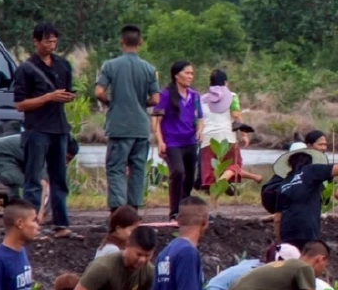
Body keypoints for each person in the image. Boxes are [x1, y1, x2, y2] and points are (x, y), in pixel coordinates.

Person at [12, 21, 77, 237]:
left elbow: (68, 91)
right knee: (33, 179)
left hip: (59, 127)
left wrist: (67, 97)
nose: (52, 45)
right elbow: (20, 104)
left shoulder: (63, 65)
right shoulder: (26, 69)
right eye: (47, 41)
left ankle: (62, 224)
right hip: (36, 128)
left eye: (54, 41)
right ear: (36, 41)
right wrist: (48, 97)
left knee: (59, 177)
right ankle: (31, 226)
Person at [95, 24, 161, 211]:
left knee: (116, 167)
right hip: (141, 127)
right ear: (140, 42)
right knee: (138, 169)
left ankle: (117, 210)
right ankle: (134, 209)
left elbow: (99, 92)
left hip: (119, 125)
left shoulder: (111, 65)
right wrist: (141, 104)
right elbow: (156, 98)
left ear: (121, 41)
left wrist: (111, 103)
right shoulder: (149, 69)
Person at [272, 141, 338, 248]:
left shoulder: (284, 183)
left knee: (292, 263)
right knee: (307, 262)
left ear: (290, 163)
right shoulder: (312, 170)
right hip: (307, 229)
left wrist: (279, 242)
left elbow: (277, 219)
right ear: (310, 159)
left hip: (287, 232)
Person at [151, 61, 205, 220]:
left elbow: (200, 118)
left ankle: (184, 208)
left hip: (190, 141)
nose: (190, 76)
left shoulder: (195, 96)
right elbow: (156, 121)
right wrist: (160, 141)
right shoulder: (165, 95)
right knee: (178, 172)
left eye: (192, 74)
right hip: (172, 142)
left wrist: (200, 130)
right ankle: (174, 211)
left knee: (189, 176)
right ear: (176, 75)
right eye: (187, 73)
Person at [200, 69, 261, 192]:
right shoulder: (232, 96)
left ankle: (214, 207)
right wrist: (244, 135)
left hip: (207, 139)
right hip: (227, 137)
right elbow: (237, 116)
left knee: (212, 174)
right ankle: (222, 182)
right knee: (235, 165)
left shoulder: (202, 99)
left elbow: (199, 120)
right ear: (226, 83)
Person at [0, 133, 27, 203]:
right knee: (20, 182)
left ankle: (18, 206)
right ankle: (20, 208)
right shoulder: (43, 149)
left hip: (18, 155)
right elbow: (42, 179)